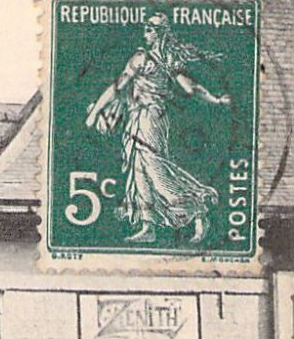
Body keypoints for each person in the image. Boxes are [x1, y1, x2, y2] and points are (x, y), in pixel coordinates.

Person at [85, 14, 232, 244]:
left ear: (158, 33)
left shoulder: (143, 58)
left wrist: (95, 113)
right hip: (143, 116)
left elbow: (118, 86)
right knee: (139, 168)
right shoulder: (168, 59)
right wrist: (215, 100)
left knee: (154, 169)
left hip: (148, 117)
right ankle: (148, 225)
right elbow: (191, 88)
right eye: (145, 28)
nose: (145, 33)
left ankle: (196, 207)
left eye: (149, 29)